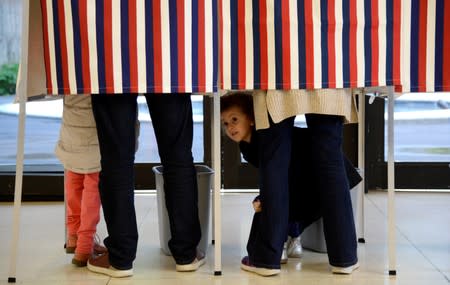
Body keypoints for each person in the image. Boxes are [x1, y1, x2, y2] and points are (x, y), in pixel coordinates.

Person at [220, 92, 362, 265]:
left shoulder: (264, 140)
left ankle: (276, 245)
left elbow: (286, 175)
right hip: (312, 174)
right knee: (276, 199)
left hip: (315, 174)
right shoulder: (246, 145)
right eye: (225, 123)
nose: (230, 128)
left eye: (234, 120)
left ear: (251, 118)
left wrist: (265, 198)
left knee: (271, 203)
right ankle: (291, 237)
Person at [86, 93, 203, 278]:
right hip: (168, 65)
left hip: (113, 66)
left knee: (116, 160)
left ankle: (120, 257)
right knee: (177, 156)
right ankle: (186, 254)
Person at [55, 95, 107, 267]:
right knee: (93, 184)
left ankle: (74, 237)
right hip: (94, 123)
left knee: (73, 174)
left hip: (71, 119)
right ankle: (85, 245)